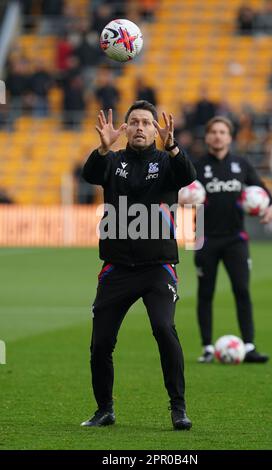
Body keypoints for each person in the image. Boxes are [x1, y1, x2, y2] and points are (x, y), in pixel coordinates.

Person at [81, 100, 196, 430]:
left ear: (155, 129)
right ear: (126, 129)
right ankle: (105, 409)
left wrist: (172, 145)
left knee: (163, 328)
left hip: (157, 267)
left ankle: (178, 407)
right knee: (101, 342)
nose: (141, 127)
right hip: (116, 267)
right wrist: (103, 149)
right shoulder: (113, 160)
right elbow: (89, 174)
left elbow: (188, 175)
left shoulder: (166, 161)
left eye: (147, 122)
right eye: (135, 122)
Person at [194, 116, 272, 364]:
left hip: (235, 239)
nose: (218, 136)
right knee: (205, 293)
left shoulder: (241, 164)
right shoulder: (196, 166)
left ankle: (249, 346)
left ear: (229, 137)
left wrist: (270, 207)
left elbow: (265, 193)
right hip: (204, 237)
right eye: (213, 132)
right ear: (207, 137)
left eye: (222, 132)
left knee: (241, 290)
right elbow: (181, 195)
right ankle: (208, 348)